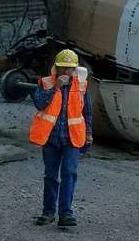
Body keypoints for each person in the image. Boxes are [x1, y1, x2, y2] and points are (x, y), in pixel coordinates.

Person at [28, 48, 92, 228]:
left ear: (75, 68)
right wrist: (56, 88)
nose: (65, 72)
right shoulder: (46, 83)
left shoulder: (81, 85)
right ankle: (48, 212)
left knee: (69, 174)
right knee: (50, 175)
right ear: (56, 67)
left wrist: (89, 134)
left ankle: (66, 213)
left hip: (72, 138)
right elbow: (39, 103)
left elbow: (87, 112)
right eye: (62, 67)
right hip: (51, 139)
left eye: (69, 68)